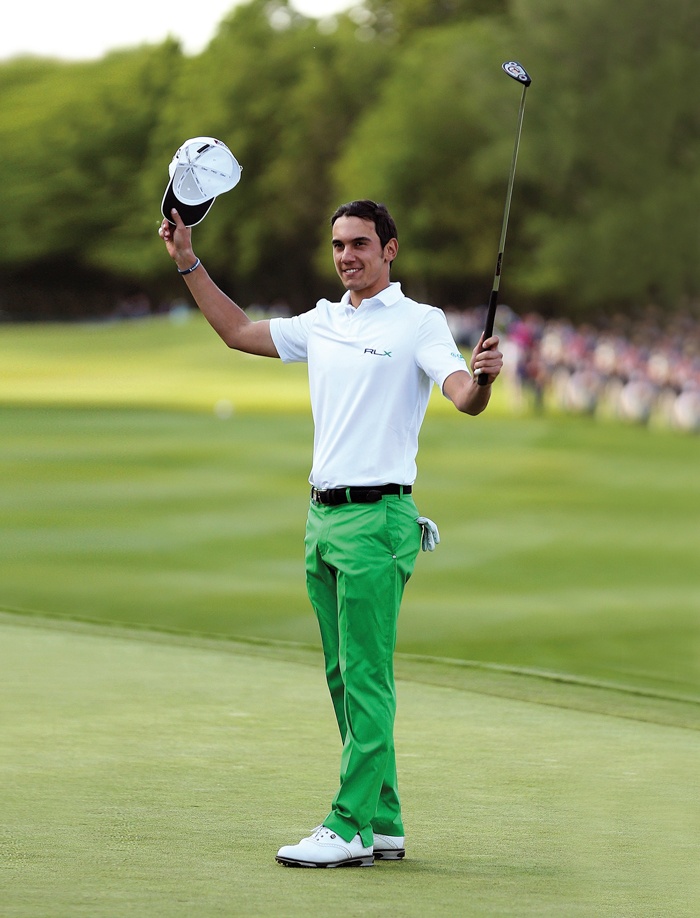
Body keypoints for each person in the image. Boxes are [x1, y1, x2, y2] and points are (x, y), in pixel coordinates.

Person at [159, 199, 503, 868]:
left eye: (360, 244)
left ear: (389, 250)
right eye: (339, 244)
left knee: (367, 676)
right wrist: (187, 261)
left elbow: (464, 396)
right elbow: (237, 332)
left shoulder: (419, 322)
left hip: (378, 519)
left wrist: (484, 378)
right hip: (322, 517)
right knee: (343, 676)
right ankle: (383, 819)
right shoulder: (323, 321)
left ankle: (347, 824)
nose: (347, 255)